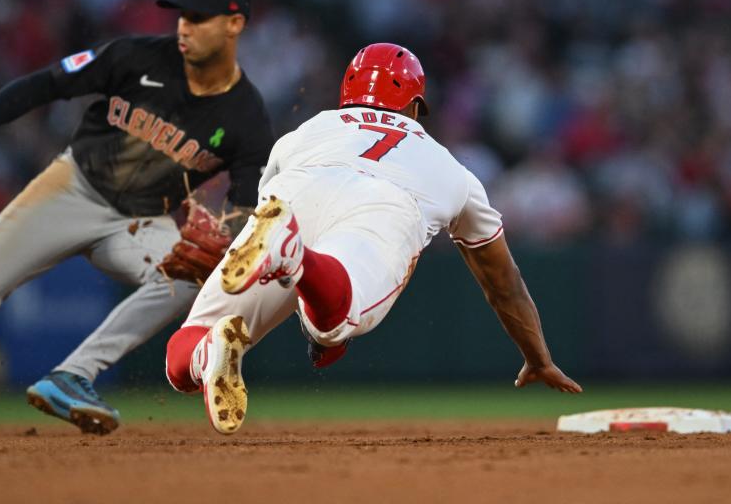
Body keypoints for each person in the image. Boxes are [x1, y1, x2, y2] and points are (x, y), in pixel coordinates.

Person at [0, 0, 274, 435]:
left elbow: (247, 204)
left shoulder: (247, 117)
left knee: (190, 276)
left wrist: (231, 238)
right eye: (182, 13)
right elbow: (48, 82)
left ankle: (73, 375)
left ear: (235, 24)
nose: (184, 25)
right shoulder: (135, 56)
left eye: (200, 16)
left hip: (140, 221)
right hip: (70, 189)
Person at [164, 43, 582, 435]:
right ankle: (299, 257)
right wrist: (537, 357)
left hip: (292, 195)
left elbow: (266, 220)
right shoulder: (452, 168)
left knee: (182, 360)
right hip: (382, 204)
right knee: (332, 324)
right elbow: (503, 284)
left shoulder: (306, 130)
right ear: (416, 105)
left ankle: (208, 354)